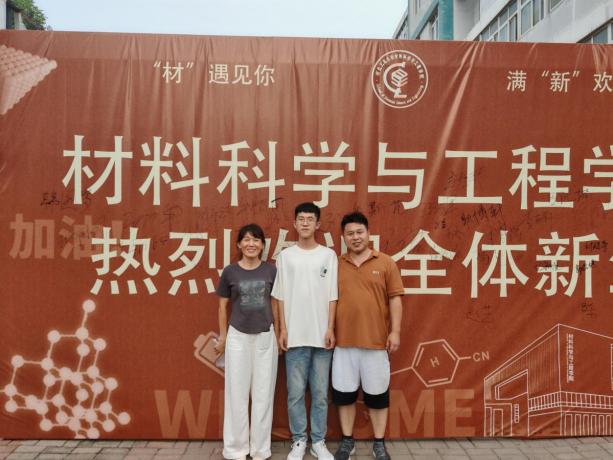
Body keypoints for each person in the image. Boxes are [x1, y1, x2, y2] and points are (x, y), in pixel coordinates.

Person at [332, 212, 404, 460]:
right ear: (343, 237)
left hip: (376, 343)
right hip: (343, 343)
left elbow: (395, 298)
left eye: (359, 232)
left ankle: (379, 443)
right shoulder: (336, 264)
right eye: (350, 233)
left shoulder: (386, 262)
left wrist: (395, 331)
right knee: (344, 396)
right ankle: (347, 442)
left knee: (378, 397)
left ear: (368, 233)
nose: (355, 237)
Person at [272, 202, 338, 460]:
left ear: (318, 224)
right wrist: (282, 329)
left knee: (320, 394)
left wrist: (330, 327)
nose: (305, 223)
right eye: (301, 218)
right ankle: (299, 440)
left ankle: (318, 442)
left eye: (310, 219)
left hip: (322, 337)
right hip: (295, 337)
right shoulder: (285, 257)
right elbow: (279, 296)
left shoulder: (328, 256)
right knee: (295, 393)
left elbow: (332, 295)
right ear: (294, 223)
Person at [215, 223, 278, 460]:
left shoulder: (271, 271)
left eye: (256, 240)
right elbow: (222, 307)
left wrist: (279, 332)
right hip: (237, 337)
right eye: (247, 240)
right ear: (239, 244)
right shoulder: (230, 272)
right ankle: (235, 449)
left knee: (263, 394)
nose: (251, 244)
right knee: (236, 394)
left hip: (265, 336)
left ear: (262, 245)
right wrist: (223, 337)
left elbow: (276, 303)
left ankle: (260, 450)